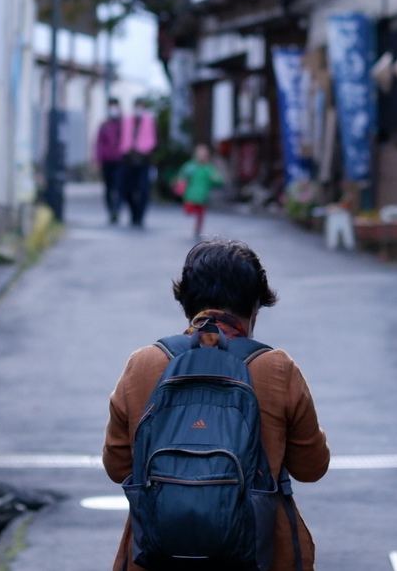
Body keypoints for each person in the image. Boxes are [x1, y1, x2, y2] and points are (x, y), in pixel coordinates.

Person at [103, 239, 330, 571]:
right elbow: (312, 467)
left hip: (157, 556)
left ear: (186, 303)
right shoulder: (276, 368)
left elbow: (117, 466)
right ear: (254, 307)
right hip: (260, 556)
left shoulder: (144, 364)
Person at [119, 97, 157, 227]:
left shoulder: (150, 121)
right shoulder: (127, 120)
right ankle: (134, 213)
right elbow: (121, 137)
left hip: (144, 160)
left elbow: (154, 141)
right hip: (128, 160)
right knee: (126, 190)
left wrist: (146, 152)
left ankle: (140, 216)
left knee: (143, 190)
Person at [174, 143, 223, 237]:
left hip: (203, 196)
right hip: (191, 196)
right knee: (189, 210)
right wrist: (180, 186)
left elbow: (218, 180)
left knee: (201, 216)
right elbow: (182, 177)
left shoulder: (209, 168)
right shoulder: (190, 167)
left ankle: (198, 230)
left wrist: (215, 179)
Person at [95, 98, 125, 224]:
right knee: (108, 187)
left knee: (119, 186)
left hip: (121, 160)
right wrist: (98, 159)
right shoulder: (104, 125)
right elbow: (98, 143)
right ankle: (111, 210)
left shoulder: (123, 124)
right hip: (107, 160)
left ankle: (117, 209)